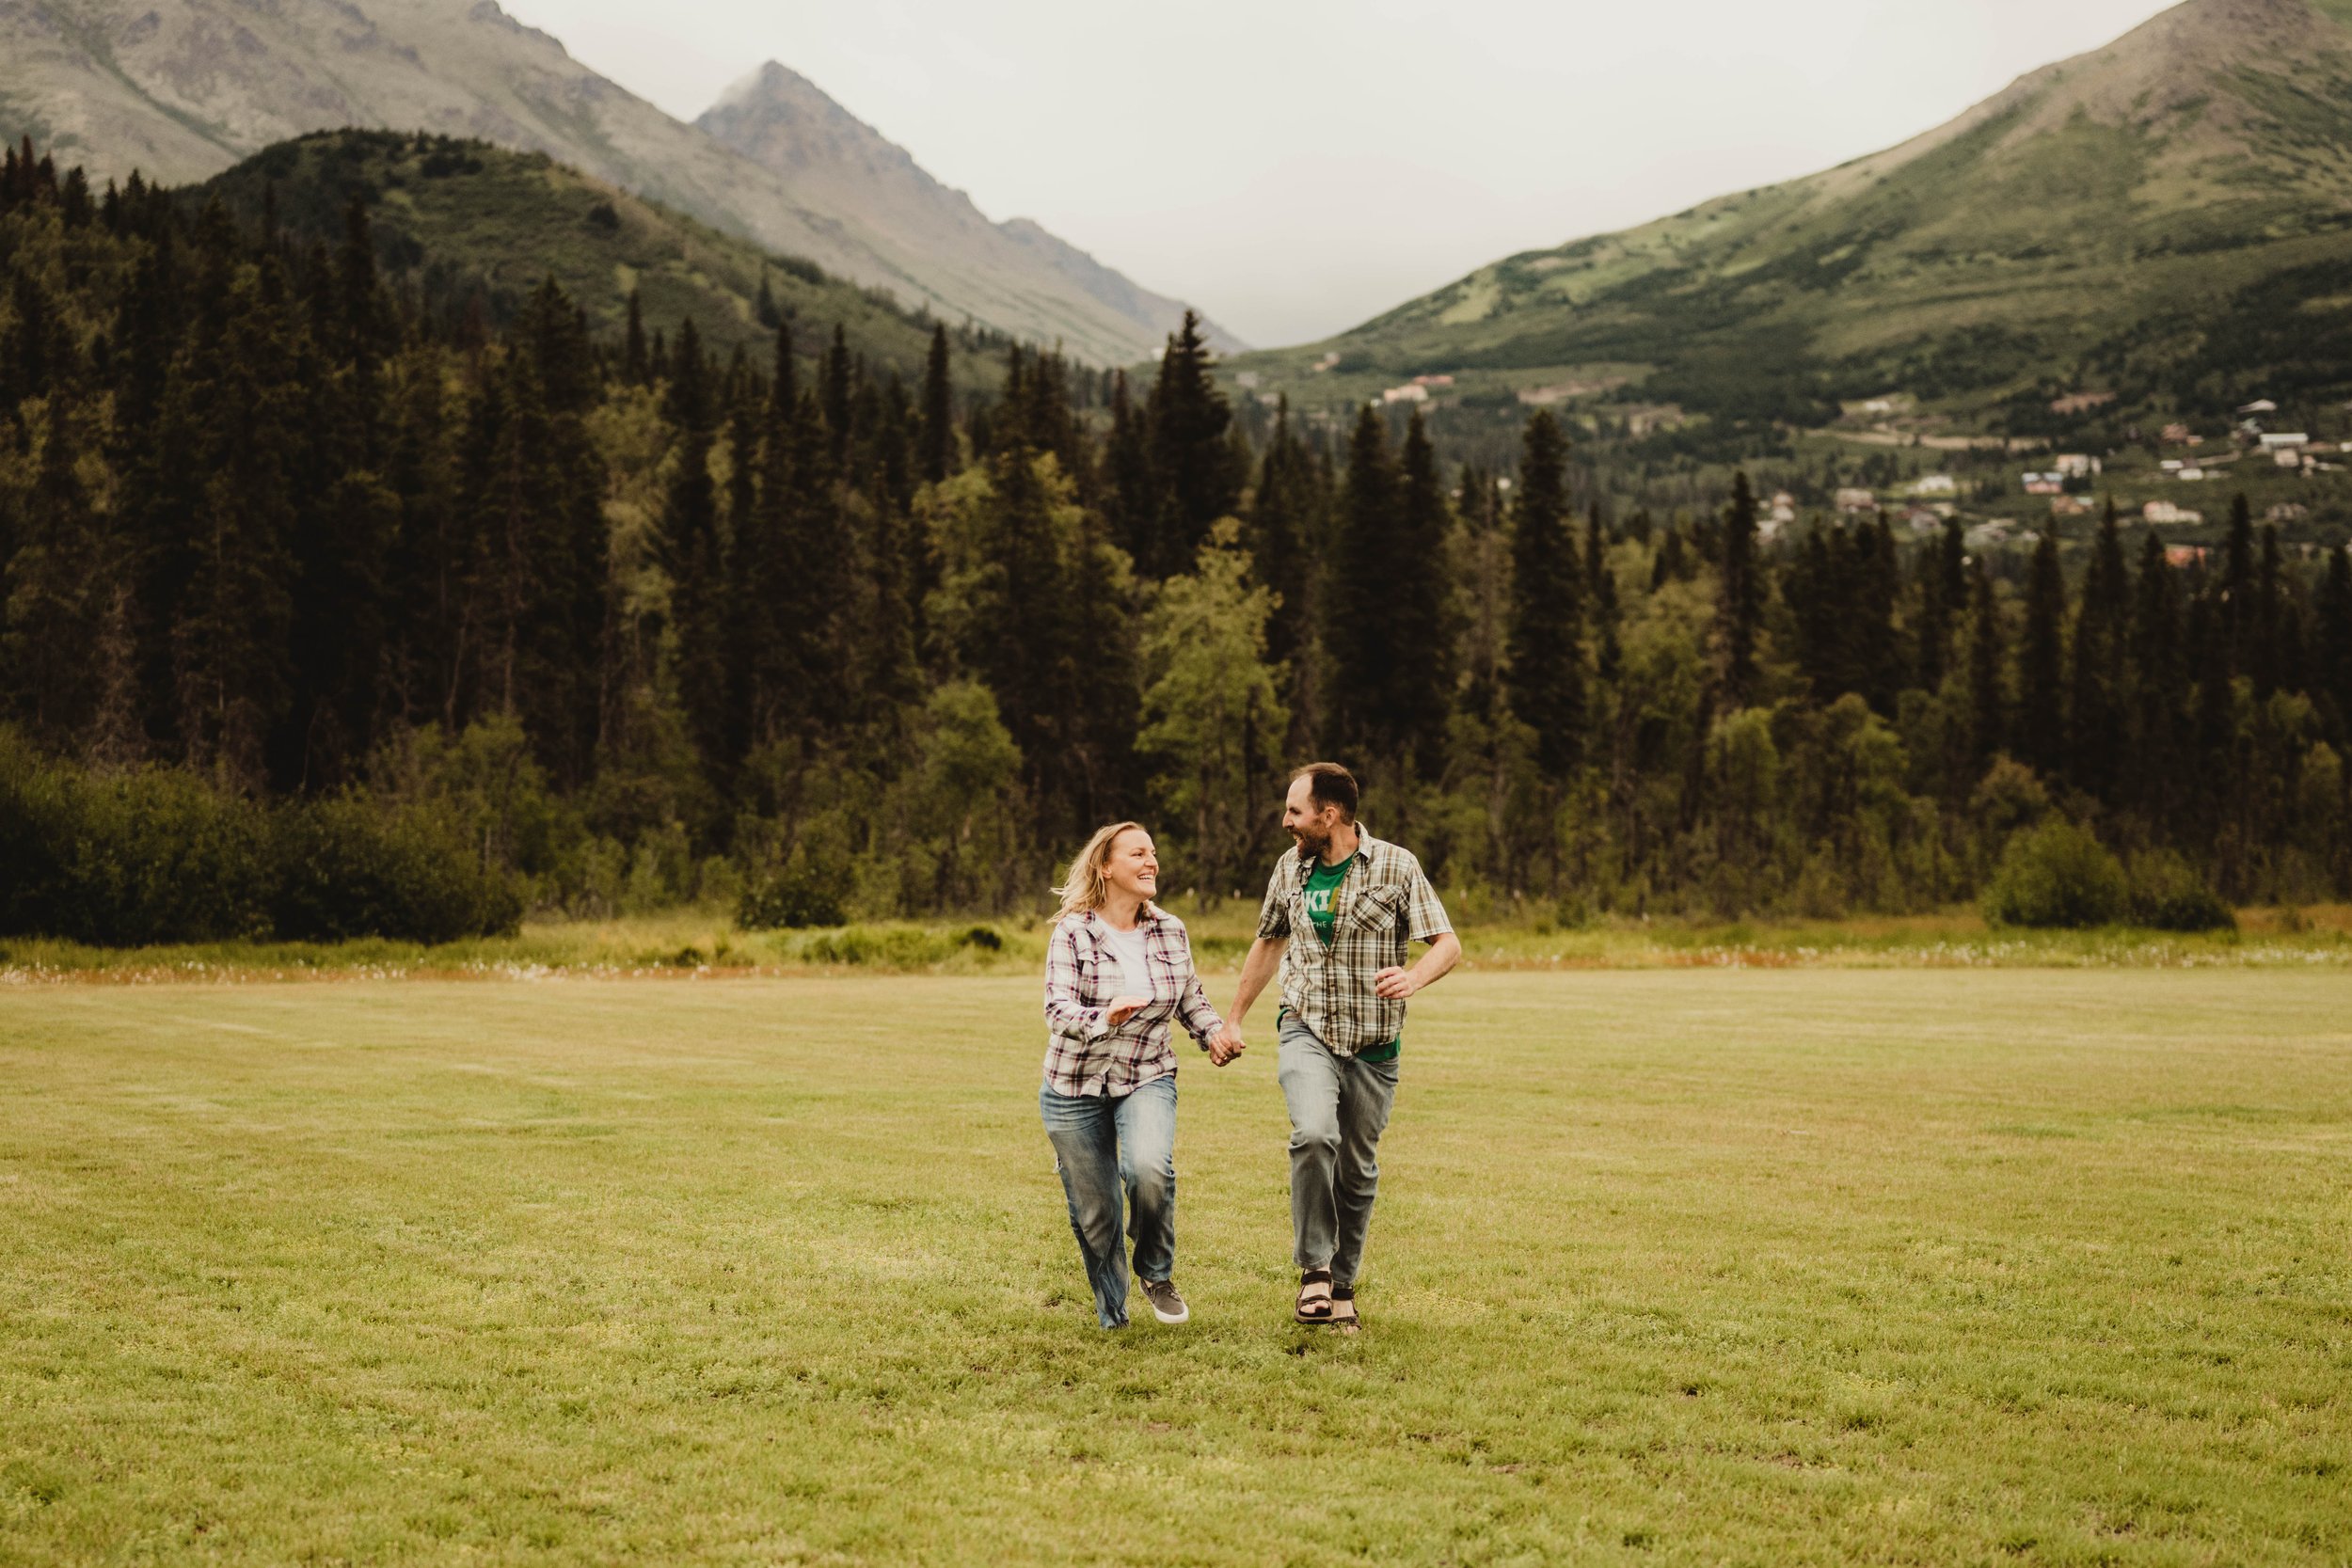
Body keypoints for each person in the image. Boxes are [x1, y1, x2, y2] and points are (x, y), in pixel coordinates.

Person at [1216, 763, 1459, 1328]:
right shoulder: (1291, 869)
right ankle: (1314, 1272)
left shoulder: (1397, 866)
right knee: (1314, 1134)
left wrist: (1414, 978)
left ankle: (1343, 1284)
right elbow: (1268, 943)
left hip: (1375, 1044)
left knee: (1357, 1169)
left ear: (1330, 815)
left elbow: (1447, 943)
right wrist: (1233, 1018)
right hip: (1306, 1026)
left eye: (1295, 811)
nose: (1286, 821)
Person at [1040, 821, 1235, 1330]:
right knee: (1097, 1213)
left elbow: (1189, 996)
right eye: (1138, 854)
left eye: (1153, 853)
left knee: (1148, 1169)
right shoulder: (1073, 931)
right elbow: (1057, 1010)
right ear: (1106, 866)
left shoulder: (1170, 929)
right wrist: (1105, 1017)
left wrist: (1212, 1033)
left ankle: (1156, 1272)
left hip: (1147, 1072)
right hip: (1073, 1087)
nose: (1152, 862)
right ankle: (1113, 1315)